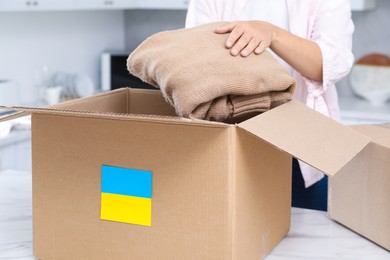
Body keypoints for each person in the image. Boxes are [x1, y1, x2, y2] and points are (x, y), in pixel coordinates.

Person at [185, 0, 354, 211]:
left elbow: (328, 65)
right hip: (233, 140)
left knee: (310, 233)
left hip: (302, 147)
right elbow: (195, 61)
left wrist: (272, 34)